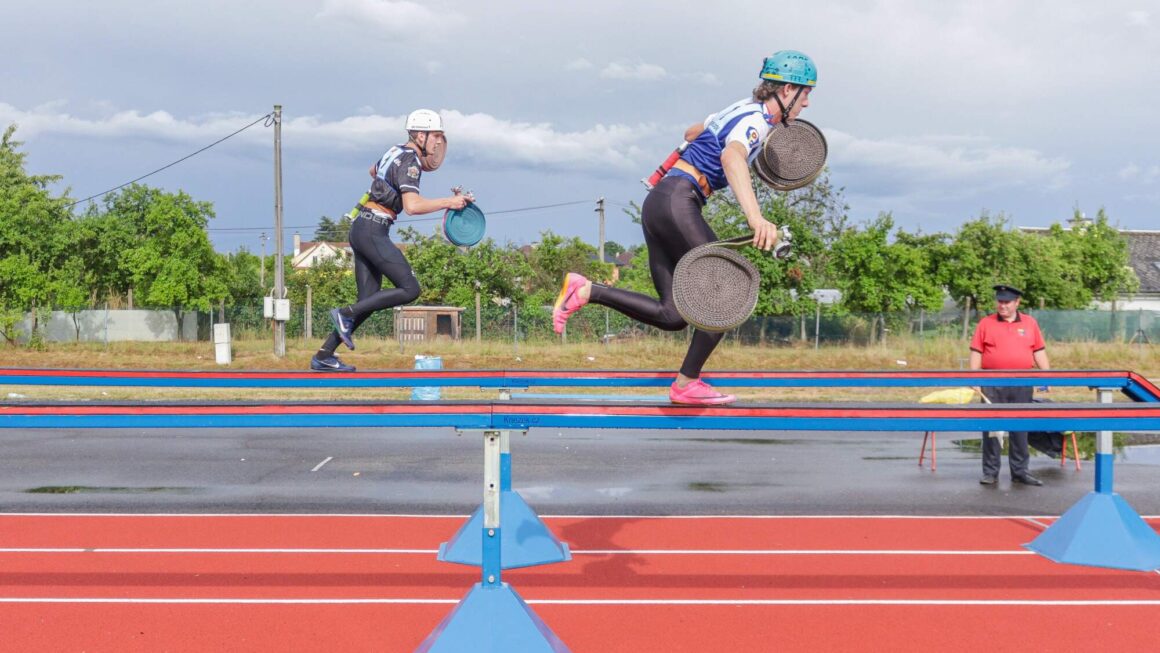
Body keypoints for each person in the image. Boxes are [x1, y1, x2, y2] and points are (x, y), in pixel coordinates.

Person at [551, 50, 816, 405]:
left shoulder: (736, 110)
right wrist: (755, 218)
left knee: (673, 314)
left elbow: (693, 132)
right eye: (806, 93)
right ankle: (686, 383)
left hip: (660, 202)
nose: (807, 104)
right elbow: (731, 156)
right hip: (679, 199)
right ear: (786, 90)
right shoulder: (755, 122)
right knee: (727, 292)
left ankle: (586, 291)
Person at [310, 109, 471, 372]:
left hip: (362, 226)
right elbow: (412, 206)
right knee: (410, 289)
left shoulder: (395, 151)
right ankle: (344, 313)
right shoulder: (411, 162)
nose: (438, 143)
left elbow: (374, 170)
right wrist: (449, 202)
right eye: (435, 136)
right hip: (373, 229)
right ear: (421, 135)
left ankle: (324, 355)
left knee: (369, 300)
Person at [969, 284, 1051, 485]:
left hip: (1022, 382)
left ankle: (1020, 471)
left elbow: (1038, 351)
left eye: (1006, 302)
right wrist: (974, 379)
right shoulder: (985, 323)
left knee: (1020, 428)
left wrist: (1047, 377)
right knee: (992, 429)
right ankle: (990, 472)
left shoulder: (1030, 323)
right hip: (992, 383)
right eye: (1000, 301)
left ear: (1017, 303)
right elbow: (976, 352)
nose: (1002, 306)